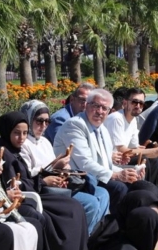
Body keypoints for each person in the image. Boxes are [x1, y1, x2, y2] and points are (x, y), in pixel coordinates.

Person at [0, 111, 88, 250]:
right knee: (62, 213)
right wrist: (42, 181)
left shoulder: (15, 150)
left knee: (74, 206)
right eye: (16, 133)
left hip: (32, 192)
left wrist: (43, 180)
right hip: (21, 199)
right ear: (7, 131)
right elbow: (14, 184)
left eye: (24, 133)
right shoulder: (2, 152)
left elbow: (26, 178)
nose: (21, 138)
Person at [20, 99, 108, 235]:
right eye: (39, 121)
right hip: (42, 189)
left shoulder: (44, 141)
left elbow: (52, 166)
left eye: (47, 121)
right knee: (91, 203)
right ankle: (81, 238)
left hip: (58, 184)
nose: (43, 126)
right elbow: (28, 174)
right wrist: (55, 166)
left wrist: (64, 169)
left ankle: (88, 236)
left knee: (102, 193)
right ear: (28, 120)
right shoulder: (23, 143)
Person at [53, 88, 139, 209]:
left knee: (139, 186)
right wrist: (116, 175)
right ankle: (113, 221)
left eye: (104, 108)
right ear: (86, 105)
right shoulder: (75, 125)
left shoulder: (102, 128)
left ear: (109, 111)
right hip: (76, 180)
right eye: (96, 106)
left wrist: (131, 173)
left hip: (94, 177)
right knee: (119, 188)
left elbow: (106, 165)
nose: (100, 111)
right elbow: (84, 163)